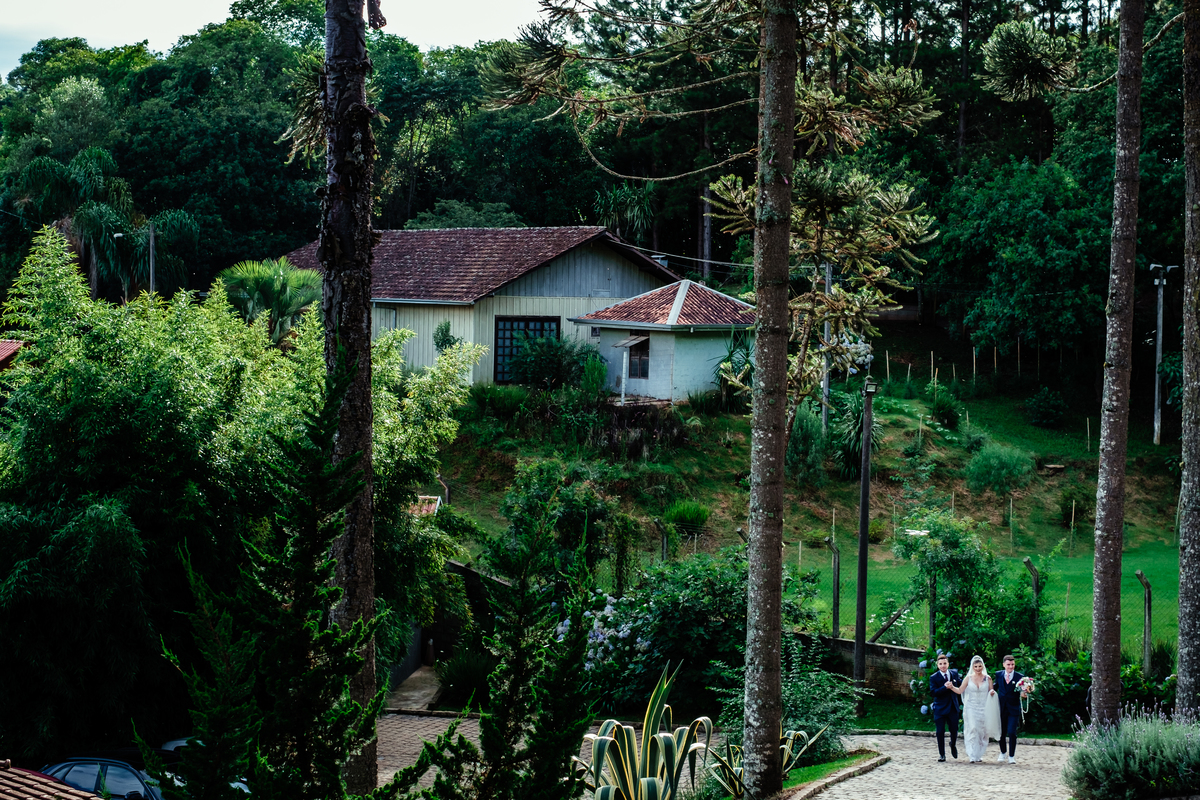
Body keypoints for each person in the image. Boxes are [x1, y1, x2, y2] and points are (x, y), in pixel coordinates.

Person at [946, 655, 1001, 762]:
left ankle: (979, 753)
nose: (978, 668)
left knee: (983, 731)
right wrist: (952, 687)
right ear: (973, 667)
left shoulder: (987, 678)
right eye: (975, 666)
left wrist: (992, 692)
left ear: (982, 666)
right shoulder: (968, 678)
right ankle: (971, 754)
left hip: (984, 707)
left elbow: (991, 691)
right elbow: (960, 690)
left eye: (980, 666)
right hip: (971, 707)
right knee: (973, 728)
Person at [928, 654, 961, 762]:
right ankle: (942, 754)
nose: (943, 666)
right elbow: (933, 693)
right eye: (940, 664)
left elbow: (961, 685)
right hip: (940, 708)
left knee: (954, 730)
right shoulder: (934, 677)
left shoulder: (954, 674)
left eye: (945, 663)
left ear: (948, 664)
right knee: (940, 731)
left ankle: (953, 744)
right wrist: (944, 687)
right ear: (937, 665)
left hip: (952, 706)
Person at [994, 654, 1025, 763]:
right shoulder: (998, 675)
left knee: (1012, 732)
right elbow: (995, 686)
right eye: (1008, 664)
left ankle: (1011, 755)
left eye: (1012, 664)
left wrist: (1024, 693)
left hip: (1013, 708)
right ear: (1004, 665)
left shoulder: (1019, 677)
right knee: (1001, 732)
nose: (1011, 667)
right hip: (1001, 708)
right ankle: (1003, 752)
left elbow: (1023, 689)